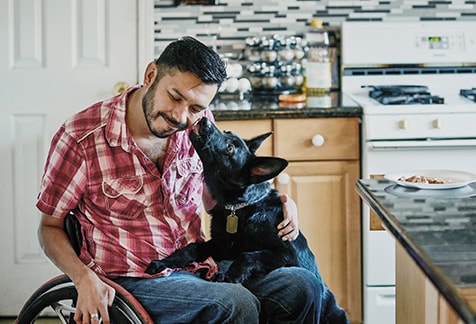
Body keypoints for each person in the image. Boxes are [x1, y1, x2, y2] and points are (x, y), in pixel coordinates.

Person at [37, 36, 324, 324]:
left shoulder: (197, 125)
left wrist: (278, 202)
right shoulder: (81, 137)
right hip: (133, 281)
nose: (181, 116)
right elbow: (50, 227)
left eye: (196, 108)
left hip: (199, 267)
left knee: (301, 286)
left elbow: (224, 190)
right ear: (151, 75)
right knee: (234, 303)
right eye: (175, 97)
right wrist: (83, 279)